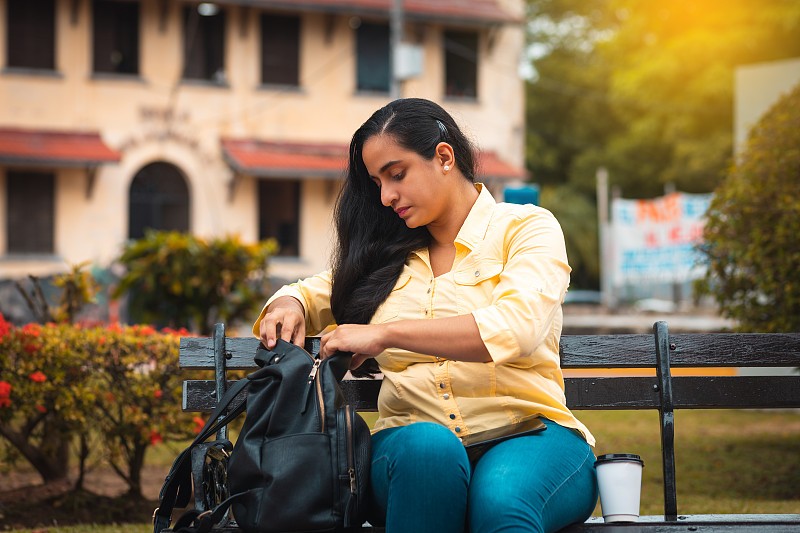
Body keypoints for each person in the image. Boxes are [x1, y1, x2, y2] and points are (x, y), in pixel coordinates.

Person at [254, 98, 597, 533]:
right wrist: (288, 303)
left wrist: (387, 335)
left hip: (529, 434)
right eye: (377, 181)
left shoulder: (526, 229)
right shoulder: (381, 258)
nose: (385, 195)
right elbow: (307, 292)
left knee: (501, 503)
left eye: (396, 174)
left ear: (444, 156)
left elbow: (516, 328)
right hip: (410, 446)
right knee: (430, 452)